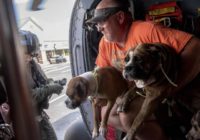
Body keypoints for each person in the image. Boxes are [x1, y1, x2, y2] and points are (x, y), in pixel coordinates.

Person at [86, 0, 200, 139]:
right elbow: (101, 73)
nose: (99, 28)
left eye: (102, 21)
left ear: (120, 17)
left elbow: (195, 47)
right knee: (105, 113)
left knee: (127, 117)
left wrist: (169, 88)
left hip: (160, 93)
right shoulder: (105, 43)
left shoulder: (146, 30)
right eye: (97, 24)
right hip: (134, 91)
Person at [20, 30, 64, 140]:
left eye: (32, 54)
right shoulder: (9, 71)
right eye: (27, 54)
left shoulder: (32, 65)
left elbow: (44, 82)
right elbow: (25, 98)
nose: (30, 58)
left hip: (39, 117)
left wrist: (55, 83)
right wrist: (50, 88)